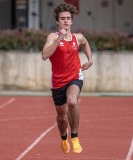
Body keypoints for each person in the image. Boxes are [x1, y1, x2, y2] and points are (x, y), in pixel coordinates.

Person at [42, 2, 93, 154]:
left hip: (75, 77)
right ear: (57, 21)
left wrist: (90, 59)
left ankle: (75, 137)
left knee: (72, 101)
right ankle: (64, 137)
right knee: (62, 117)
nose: (65, 21)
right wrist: (59, 40)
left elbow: (85, 43)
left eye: (68, 18)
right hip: (58, 82)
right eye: (62, 18)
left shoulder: (78, 37)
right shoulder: (53, 37)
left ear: (71, 21)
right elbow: (45, 55)